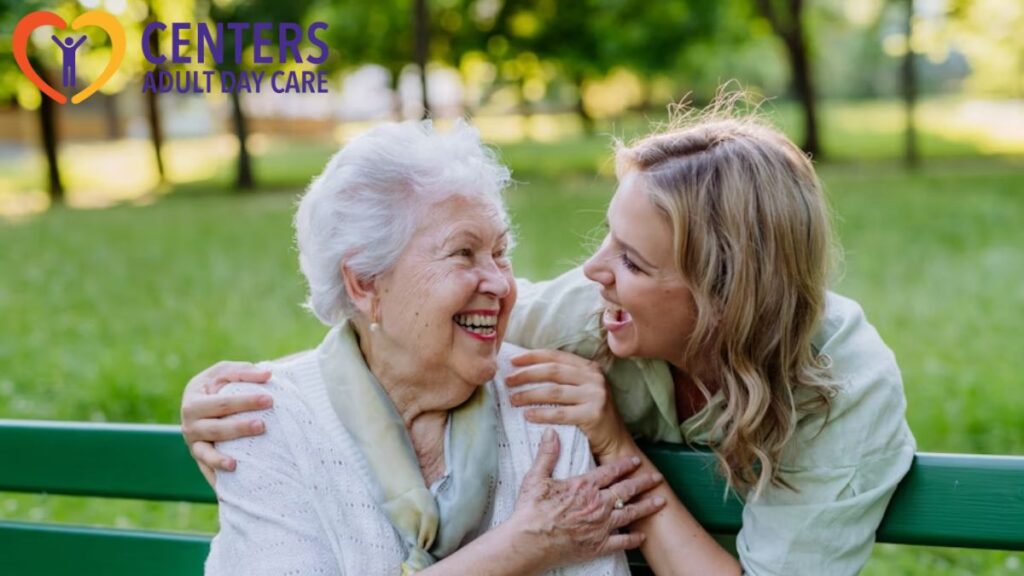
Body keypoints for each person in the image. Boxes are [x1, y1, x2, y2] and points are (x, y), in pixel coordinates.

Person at [184, 96, 915, 575]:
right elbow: (413, 327)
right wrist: (228, 403)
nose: (592, 271)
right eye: (607, 240)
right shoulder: (582, 317)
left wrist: (614, 445)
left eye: (631, 261)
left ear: (722, 295)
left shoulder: (843, 389)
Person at [200, 120, 665, 575]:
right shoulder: (263, 417)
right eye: (463, 253)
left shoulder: (545, 403)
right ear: (364, 284)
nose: (500, 282)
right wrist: (520, 548)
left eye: (500, 252)